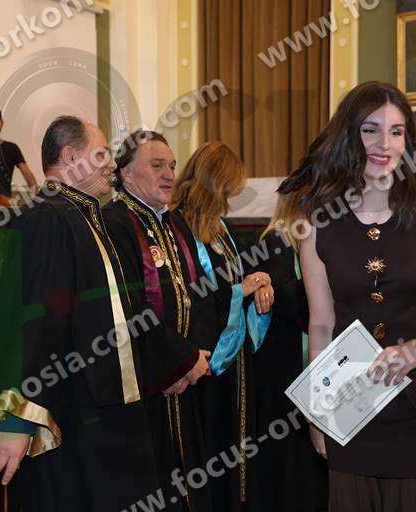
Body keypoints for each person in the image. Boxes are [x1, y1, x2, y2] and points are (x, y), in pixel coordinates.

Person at [279, 81, 416, 511]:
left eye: (396, 131)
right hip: (353, 410)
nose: (384, 143)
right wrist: (318, 412)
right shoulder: (316, 224)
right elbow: (321, 324)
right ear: (348, 135)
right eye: (370, 129)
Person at [0, 116, 175, 511]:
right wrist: (14, 419)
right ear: (69, 156)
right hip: (70, 411)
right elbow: (27, 322)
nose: (111, 164)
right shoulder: (48, 217)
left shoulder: (83, 216)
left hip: (100, 410)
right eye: (101, 154)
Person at [101, 130, 213, 511]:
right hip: (147, 386)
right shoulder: (115, 224)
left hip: (186, 381)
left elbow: (200, 294)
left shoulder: (176, 223)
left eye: (172, 166)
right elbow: (129, 311)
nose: (169, 174)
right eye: (157, 165)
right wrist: (178, 362)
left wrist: (196, 356)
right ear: (126, 173)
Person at [170, 142, 273, 512]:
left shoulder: (219, 229)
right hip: (203, 359)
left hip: (233, 360)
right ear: (213, 184)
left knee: (234, 447)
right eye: (227, 189)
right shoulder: (177, 227)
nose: (229, 199)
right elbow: (188, 296)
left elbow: (233, 282)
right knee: (210, 451)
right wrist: (239, 291)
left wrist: (259, 284)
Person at [252, 194, 329, 512]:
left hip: (303, 357)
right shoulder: (276, 240)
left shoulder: (304, 240)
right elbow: (289, 301)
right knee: (292, 457)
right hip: (285, 363)